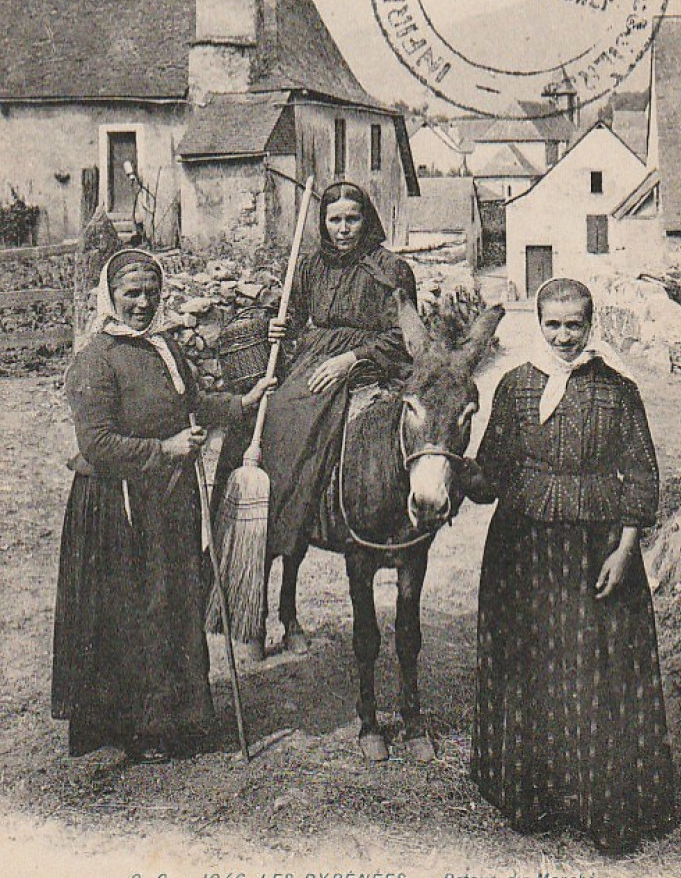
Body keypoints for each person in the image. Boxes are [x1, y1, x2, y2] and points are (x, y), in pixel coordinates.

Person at [470, 277, 674, 854]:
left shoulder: (617, 391)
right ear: (538, 324)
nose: (563, 336)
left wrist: (625, 550)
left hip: (595, 549)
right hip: (522, 548)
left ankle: (600, 807)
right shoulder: (514, 386)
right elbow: (492, 469)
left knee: (592, 669)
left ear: (591, 323)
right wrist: (444, 470)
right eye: (553, 324)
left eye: (574, 324)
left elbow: (640, 476)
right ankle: (533, 796)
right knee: (532, 662)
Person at [52, 248, 275, 762]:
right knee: (130, 609)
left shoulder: (166, 346)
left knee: (174, 601)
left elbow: (192, 403)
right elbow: (97, 445)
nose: (143, 302)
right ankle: (128, 729)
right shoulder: (94, 360)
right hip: (116, 505)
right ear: (111, 296)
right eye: (132, 292)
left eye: (151, 292)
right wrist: (166, 449)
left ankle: (178, 722)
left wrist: (243, 403)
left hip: (169, 501)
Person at [212, 181, 417, 654]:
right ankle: (268, 603)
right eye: (334, 220)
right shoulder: (309, 265)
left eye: (352, 219)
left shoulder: (392, 269)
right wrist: (281, 328)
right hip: (313, 363)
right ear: (322, 223)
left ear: (367, 220)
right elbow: (298, 318)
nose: (343, 229)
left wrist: (352, 360)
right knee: (282, 426)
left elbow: (402, 335)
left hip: (371, 364)